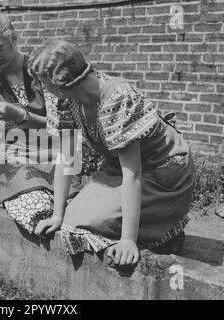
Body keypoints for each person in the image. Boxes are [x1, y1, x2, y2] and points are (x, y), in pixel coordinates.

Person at [28, 39, 195, 266]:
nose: (41, 87)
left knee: (94, 221)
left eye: (42, 81)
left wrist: (128, 240)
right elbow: (66, 157)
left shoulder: (116, 97)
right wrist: (57, 214)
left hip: (163, 170)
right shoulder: (66, 101)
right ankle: (145, 225)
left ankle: (166, 233)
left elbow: (133, 174)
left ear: (59, 81)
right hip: (120, 169)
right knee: (71, 219)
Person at [0, 13, 81, 234]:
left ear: (14, 38)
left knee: (77, 211)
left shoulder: (41, 73)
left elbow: (68, 131)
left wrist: (22, 117)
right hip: (17, 164)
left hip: (58, 156)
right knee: (37, 212)